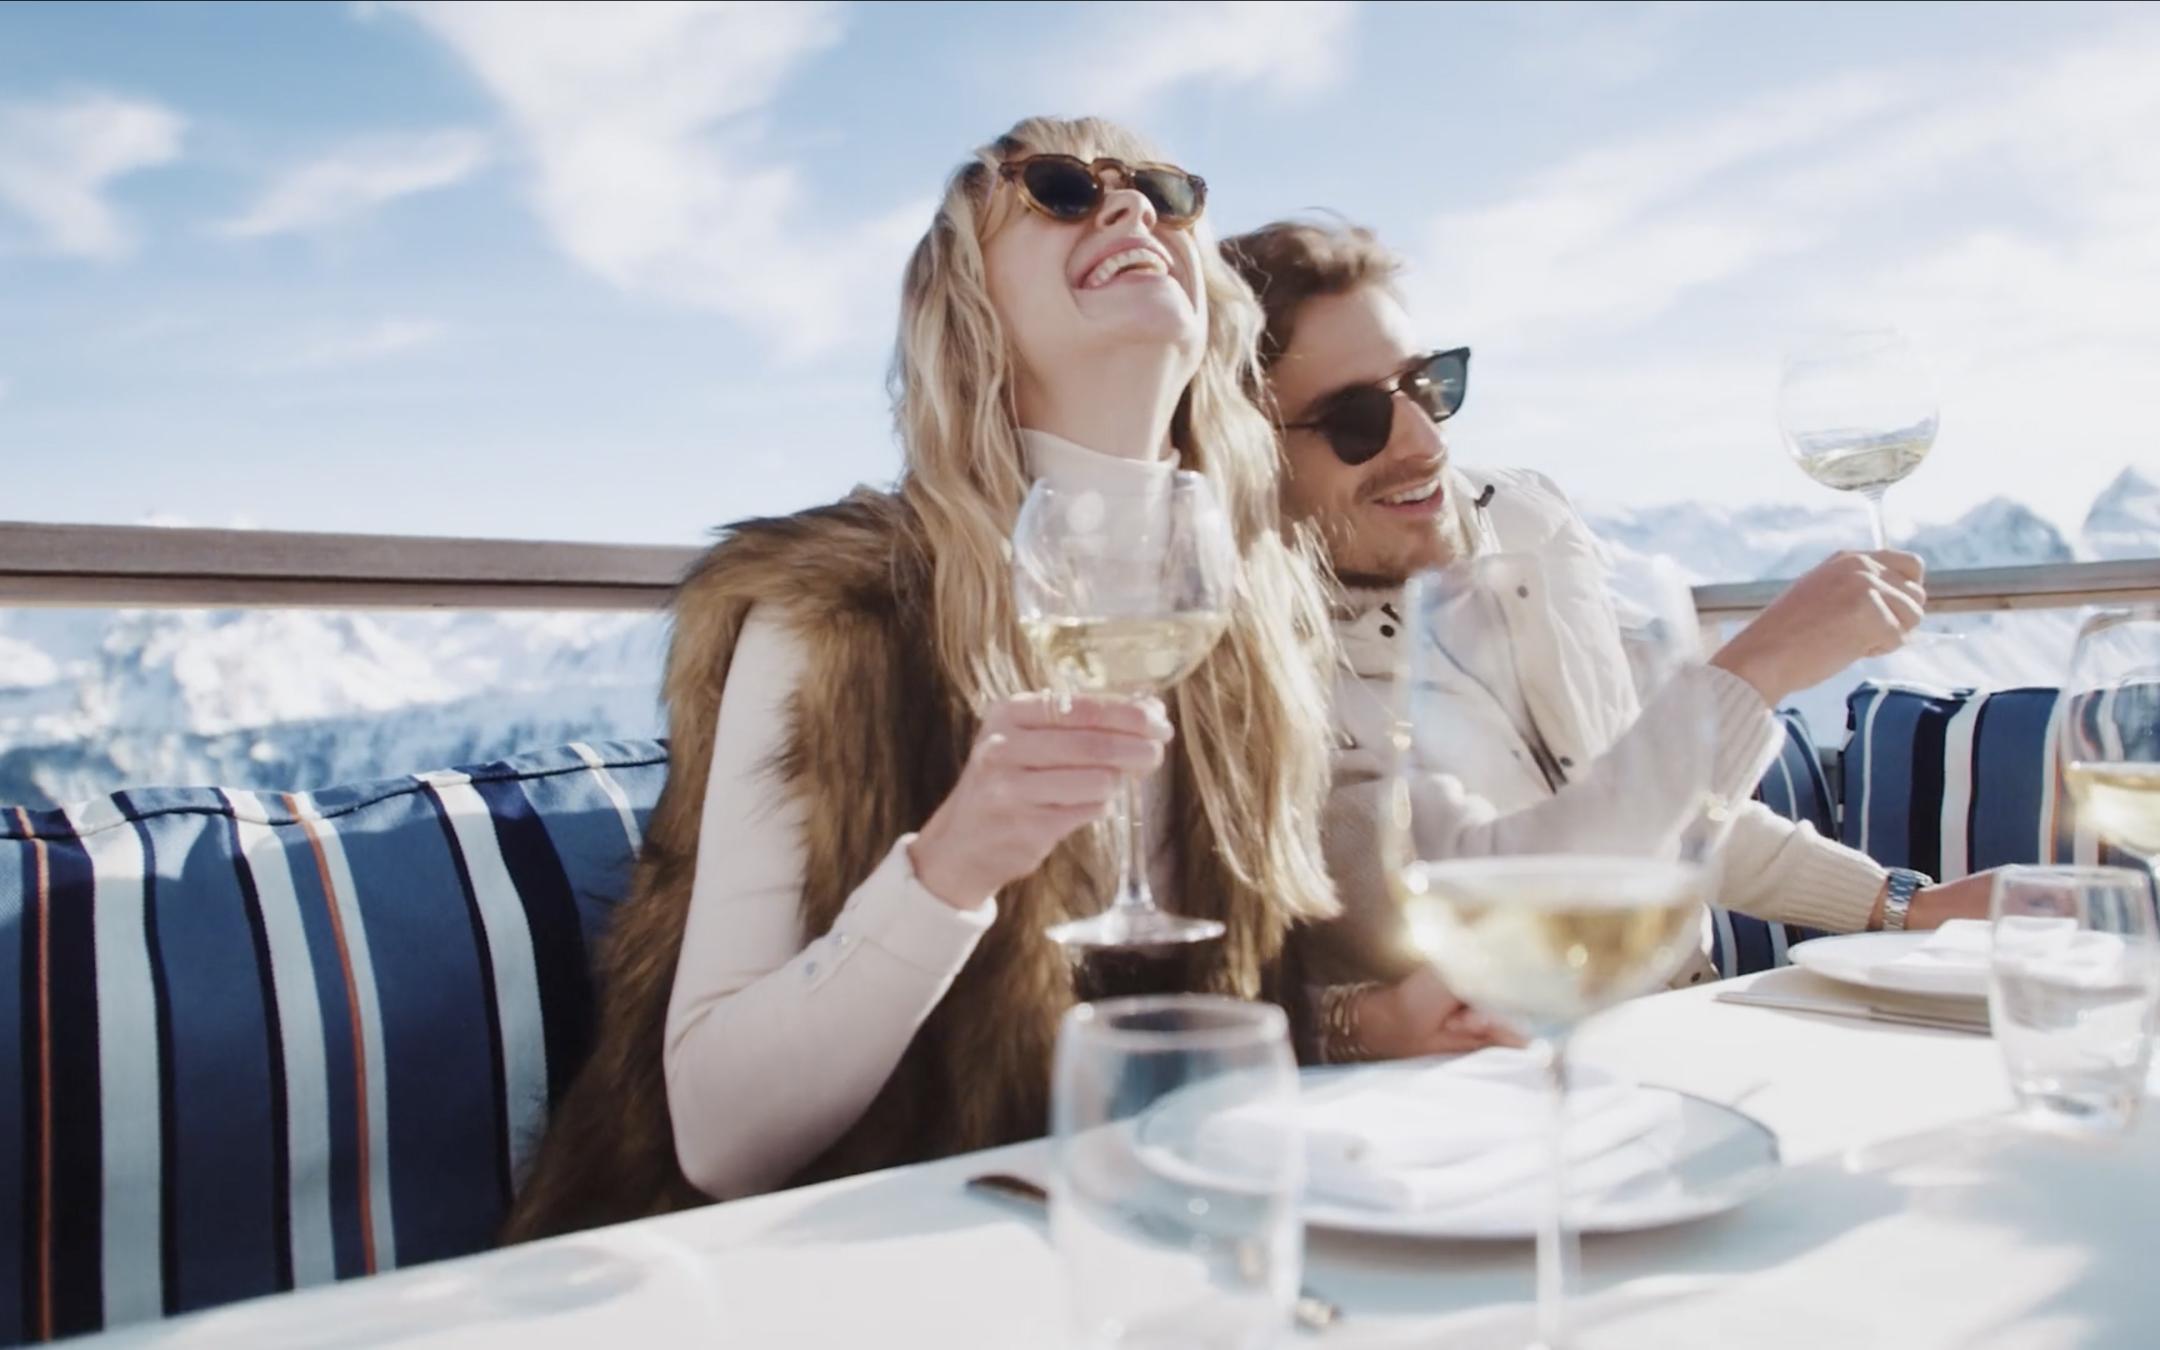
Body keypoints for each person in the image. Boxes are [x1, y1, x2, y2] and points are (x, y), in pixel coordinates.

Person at [500, 118, 1349, 1241]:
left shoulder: (1253, 613)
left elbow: (1202, 1028)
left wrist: (1362, 1023)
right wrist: (951, 870)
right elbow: (715, 1137)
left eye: (1160, 188)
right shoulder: (838, 614)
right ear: (970, 308)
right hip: (805, 1267)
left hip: (1116, 1246)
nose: (1130, 208)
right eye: (1056, 189)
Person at [1221, 219, 1995, 1022]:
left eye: (1426, 386)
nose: (1424, 443)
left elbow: (1650, 792)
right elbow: (1515, 898)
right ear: (1248, 452)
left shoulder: (1527, 524)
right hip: (1492, 1080)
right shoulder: (1253, 669)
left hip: (1687, 1022)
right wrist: (1755, 671)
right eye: (1357, 418)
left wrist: (1903, 905)